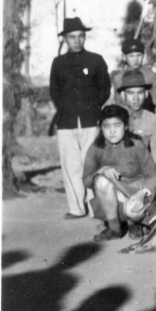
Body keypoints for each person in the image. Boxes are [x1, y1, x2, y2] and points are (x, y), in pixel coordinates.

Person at [50, 17, 111, 219]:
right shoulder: (58, 63)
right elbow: (54, 92)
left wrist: (93, 108)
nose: (76, 41)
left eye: (80, 37)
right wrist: (66, 109)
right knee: (71, 165)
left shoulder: (96, 60)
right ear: (65, 39)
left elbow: (104, 89)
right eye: (72, 37)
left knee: (91, 164)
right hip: (66, 122)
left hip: (90, 120)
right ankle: (76, 208)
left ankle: (96, 208)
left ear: (84, 37)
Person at [81, 105, 156, 241]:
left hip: (137, 195)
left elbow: (154, 177)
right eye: (107, 126)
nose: (112, 131)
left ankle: (135, 223)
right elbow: (86, 180)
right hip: (114, 199)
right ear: (101, 128)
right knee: (101, 180)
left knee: (132, 210)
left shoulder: (137, 145)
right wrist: (101, 170)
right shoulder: (96, 148)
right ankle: (114, 229)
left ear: (125, 126)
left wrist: (141, 194)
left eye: (117, 125)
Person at [117, 71, 156, 168]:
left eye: (140, 93)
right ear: (123, 95)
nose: (136, 98)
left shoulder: (154, 120)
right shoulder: (115, 119)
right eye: (130, 93)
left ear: (146, 94)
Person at [109, 38, 156, 112]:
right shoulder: (118, 78)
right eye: (131, 56)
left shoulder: (151, 76)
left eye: (138, 55)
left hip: (146, 117)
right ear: (124, 57)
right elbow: (118, 104)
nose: (135, 59)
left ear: (143, 56)